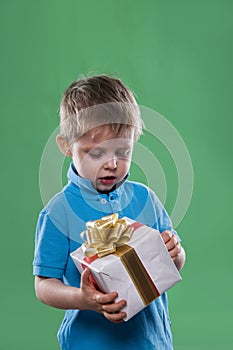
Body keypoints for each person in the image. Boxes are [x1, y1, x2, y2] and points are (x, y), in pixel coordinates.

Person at [33, 74, 186, 350]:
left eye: (123, 151)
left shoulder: (146, 200)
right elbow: (43, 285)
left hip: (150, 341)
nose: (112, 164)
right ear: (67, 146)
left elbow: (171, 266)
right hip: (90, 342)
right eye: (95, 154)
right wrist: (83, 299)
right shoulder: (58, 212)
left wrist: (176, 253)